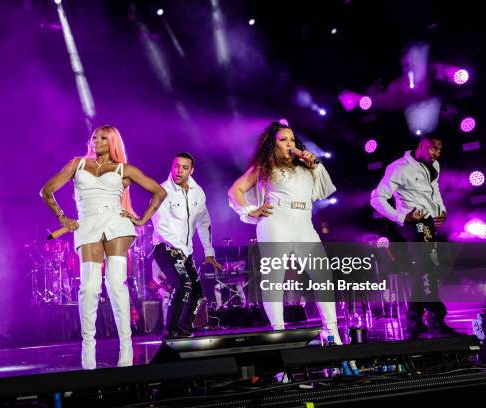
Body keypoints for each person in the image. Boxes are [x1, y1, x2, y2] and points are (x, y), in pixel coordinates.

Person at [41, 125, 166, 369]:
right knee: (89, 287)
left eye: (103, 138)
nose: (97, 141)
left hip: (117, 225)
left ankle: (126, 346)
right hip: (87, 225)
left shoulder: (123, 169)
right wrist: (62, 217)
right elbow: (46, 191)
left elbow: (158, 192)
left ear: (113, 142)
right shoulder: (77, 164)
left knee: (115, 283)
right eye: (94, 137)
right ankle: (88, 348)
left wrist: (140, 219)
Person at [228, 121, 342, 343]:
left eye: (292, 139)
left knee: (323, 276)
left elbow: (326, 188)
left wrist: (313, 162)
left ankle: (332, 332)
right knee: (275, 279)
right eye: (283, 140)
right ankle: (278, 333)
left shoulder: (307, 165)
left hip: (303, 221)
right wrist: (251, 211)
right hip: (276, 221)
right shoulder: (265, 165)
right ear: (273, 144)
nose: (289, 143)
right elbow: (235, 190)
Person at [370, 135, 458, 338]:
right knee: (428, 267)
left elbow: (434, 191)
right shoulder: (398, 167)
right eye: (433, 149)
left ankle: (414, 320)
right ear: (421, 146)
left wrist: (441, 211)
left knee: (426, 269)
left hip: (429, 224)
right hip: (413, 223)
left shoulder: (434, 165)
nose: (437, 153)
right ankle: (436, 318)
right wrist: (402, 216)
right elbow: (377, 198)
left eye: (439, 150)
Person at [151, 152, 223, 338]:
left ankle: (185, 331)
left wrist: (209, 252)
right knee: (183, 285)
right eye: (176, 166)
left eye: (184, 167)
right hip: (165, 247)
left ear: (191, 170)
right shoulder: (162, 190)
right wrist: (180, 251)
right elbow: (160, 225)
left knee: (198, 294)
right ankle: (171, 332)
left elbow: (203, 222)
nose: (179, 171)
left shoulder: (197, 192)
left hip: (185, 252)